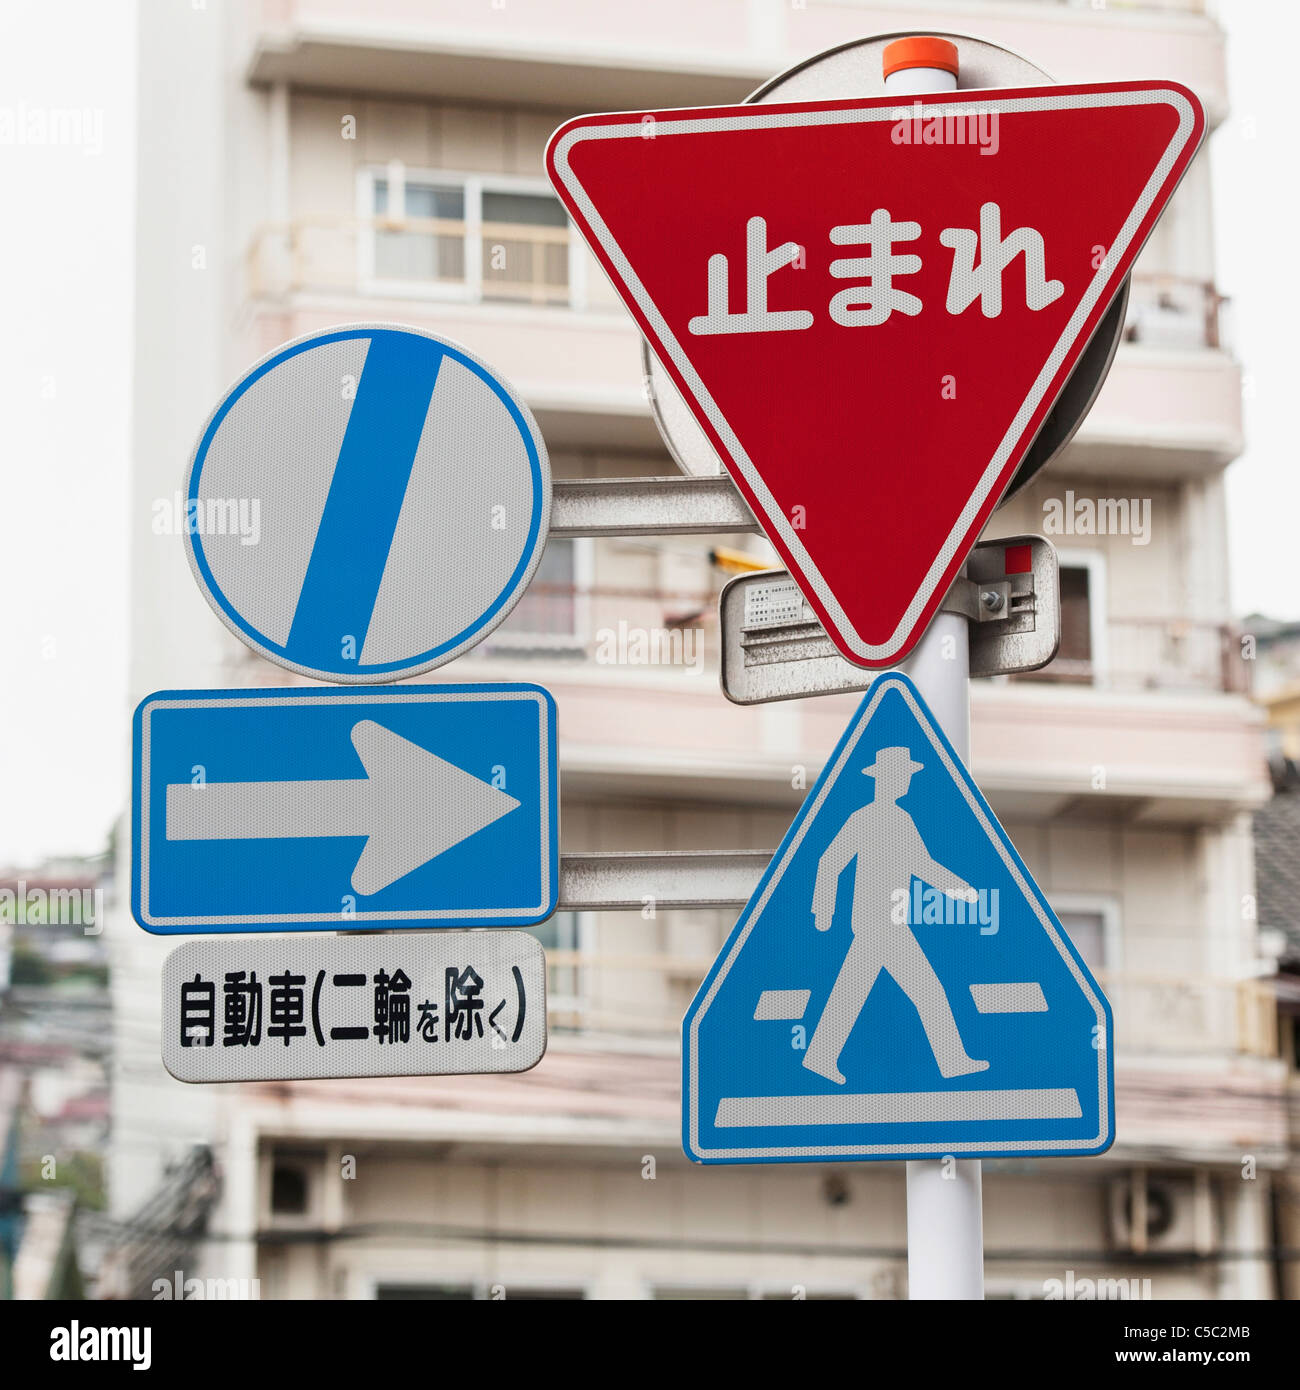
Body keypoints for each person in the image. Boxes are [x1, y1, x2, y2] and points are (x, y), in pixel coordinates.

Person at [803, 744, 988, 1085]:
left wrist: (963, 891)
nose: (906, 781)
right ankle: (953, 1062)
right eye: (902, 775)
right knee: (929, 991)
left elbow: (922, 866)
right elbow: (829, 861)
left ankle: (819, 1056)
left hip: (886, 922)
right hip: (878, 924)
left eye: (908, 776)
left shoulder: (902, 819)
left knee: (851, 992)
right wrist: (823, 912)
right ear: (886, 778)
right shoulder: (864, 817)